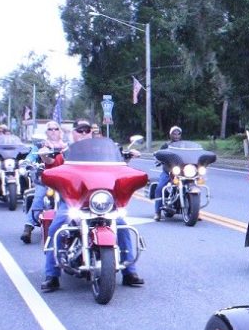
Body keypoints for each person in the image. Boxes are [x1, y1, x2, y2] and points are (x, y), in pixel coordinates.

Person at [40, 120, 143, 292]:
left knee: (123, 226)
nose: (83, 133)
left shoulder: (102, 152)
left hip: (103, 202)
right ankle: (52, 275)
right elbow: (52, 165)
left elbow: (118, 168)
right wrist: (45, 156)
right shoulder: (66, 153)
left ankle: (129, 272)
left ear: (91, 133)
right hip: (73, 202)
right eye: (79, 130)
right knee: (56, 228)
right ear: (73, 132)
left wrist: (128, 156)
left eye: (86, 130)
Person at [21, 122, 67, 244]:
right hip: (47, 178)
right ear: (46, 132)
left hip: (66, 179)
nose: (53, 131)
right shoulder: (41, 146)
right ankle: (28, 227)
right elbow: (32, 156)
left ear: (60, 131)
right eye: (50, 129)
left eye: (56, 129)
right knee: (39, 197)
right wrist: (28, 162)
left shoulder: (67, 146)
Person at [153, 126, 183, 221]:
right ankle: (157, 212)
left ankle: (195, 212)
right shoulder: (166, 145)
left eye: (178, 133)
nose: (176, 135)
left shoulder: (184, 145)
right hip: (168, 171)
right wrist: (158, 160)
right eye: (174, 133)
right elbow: (159, 155)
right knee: (159, 187)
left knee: (194, 185)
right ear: (170, 134)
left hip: (182, 172)